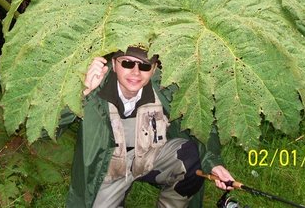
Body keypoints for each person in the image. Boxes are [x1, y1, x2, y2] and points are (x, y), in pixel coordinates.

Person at [67, 46, 234, 208]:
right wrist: (84, 91)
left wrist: (213, 163)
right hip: (109, 168)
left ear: (154, 69)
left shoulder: (166, 86)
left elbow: (201, 121)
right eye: (127, 63)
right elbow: (47, 129)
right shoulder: (95, 86)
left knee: (188, 157)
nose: (136, 72)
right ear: (114, 64)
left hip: (149, 155)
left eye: (145, 66)